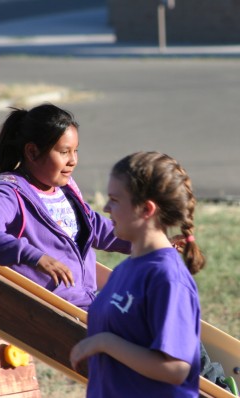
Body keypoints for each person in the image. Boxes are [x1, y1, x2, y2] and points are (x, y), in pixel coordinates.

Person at [0, 104, 131, 311]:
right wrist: (35, 257)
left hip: (87, 303)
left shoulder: (64, 189)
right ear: (32, 152)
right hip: (53, 312)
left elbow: (96, 228)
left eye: (75, 151)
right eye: (64, 152)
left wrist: (147, 239)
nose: (73, 160)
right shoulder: (9, 192)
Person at [70, 151, 206, 397]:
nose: (105, 207)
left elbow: (175, 369)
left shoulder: (167, 277)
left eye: (114, 199)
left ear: (146, 209)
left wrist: (104, 343)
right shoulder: (126, 268)